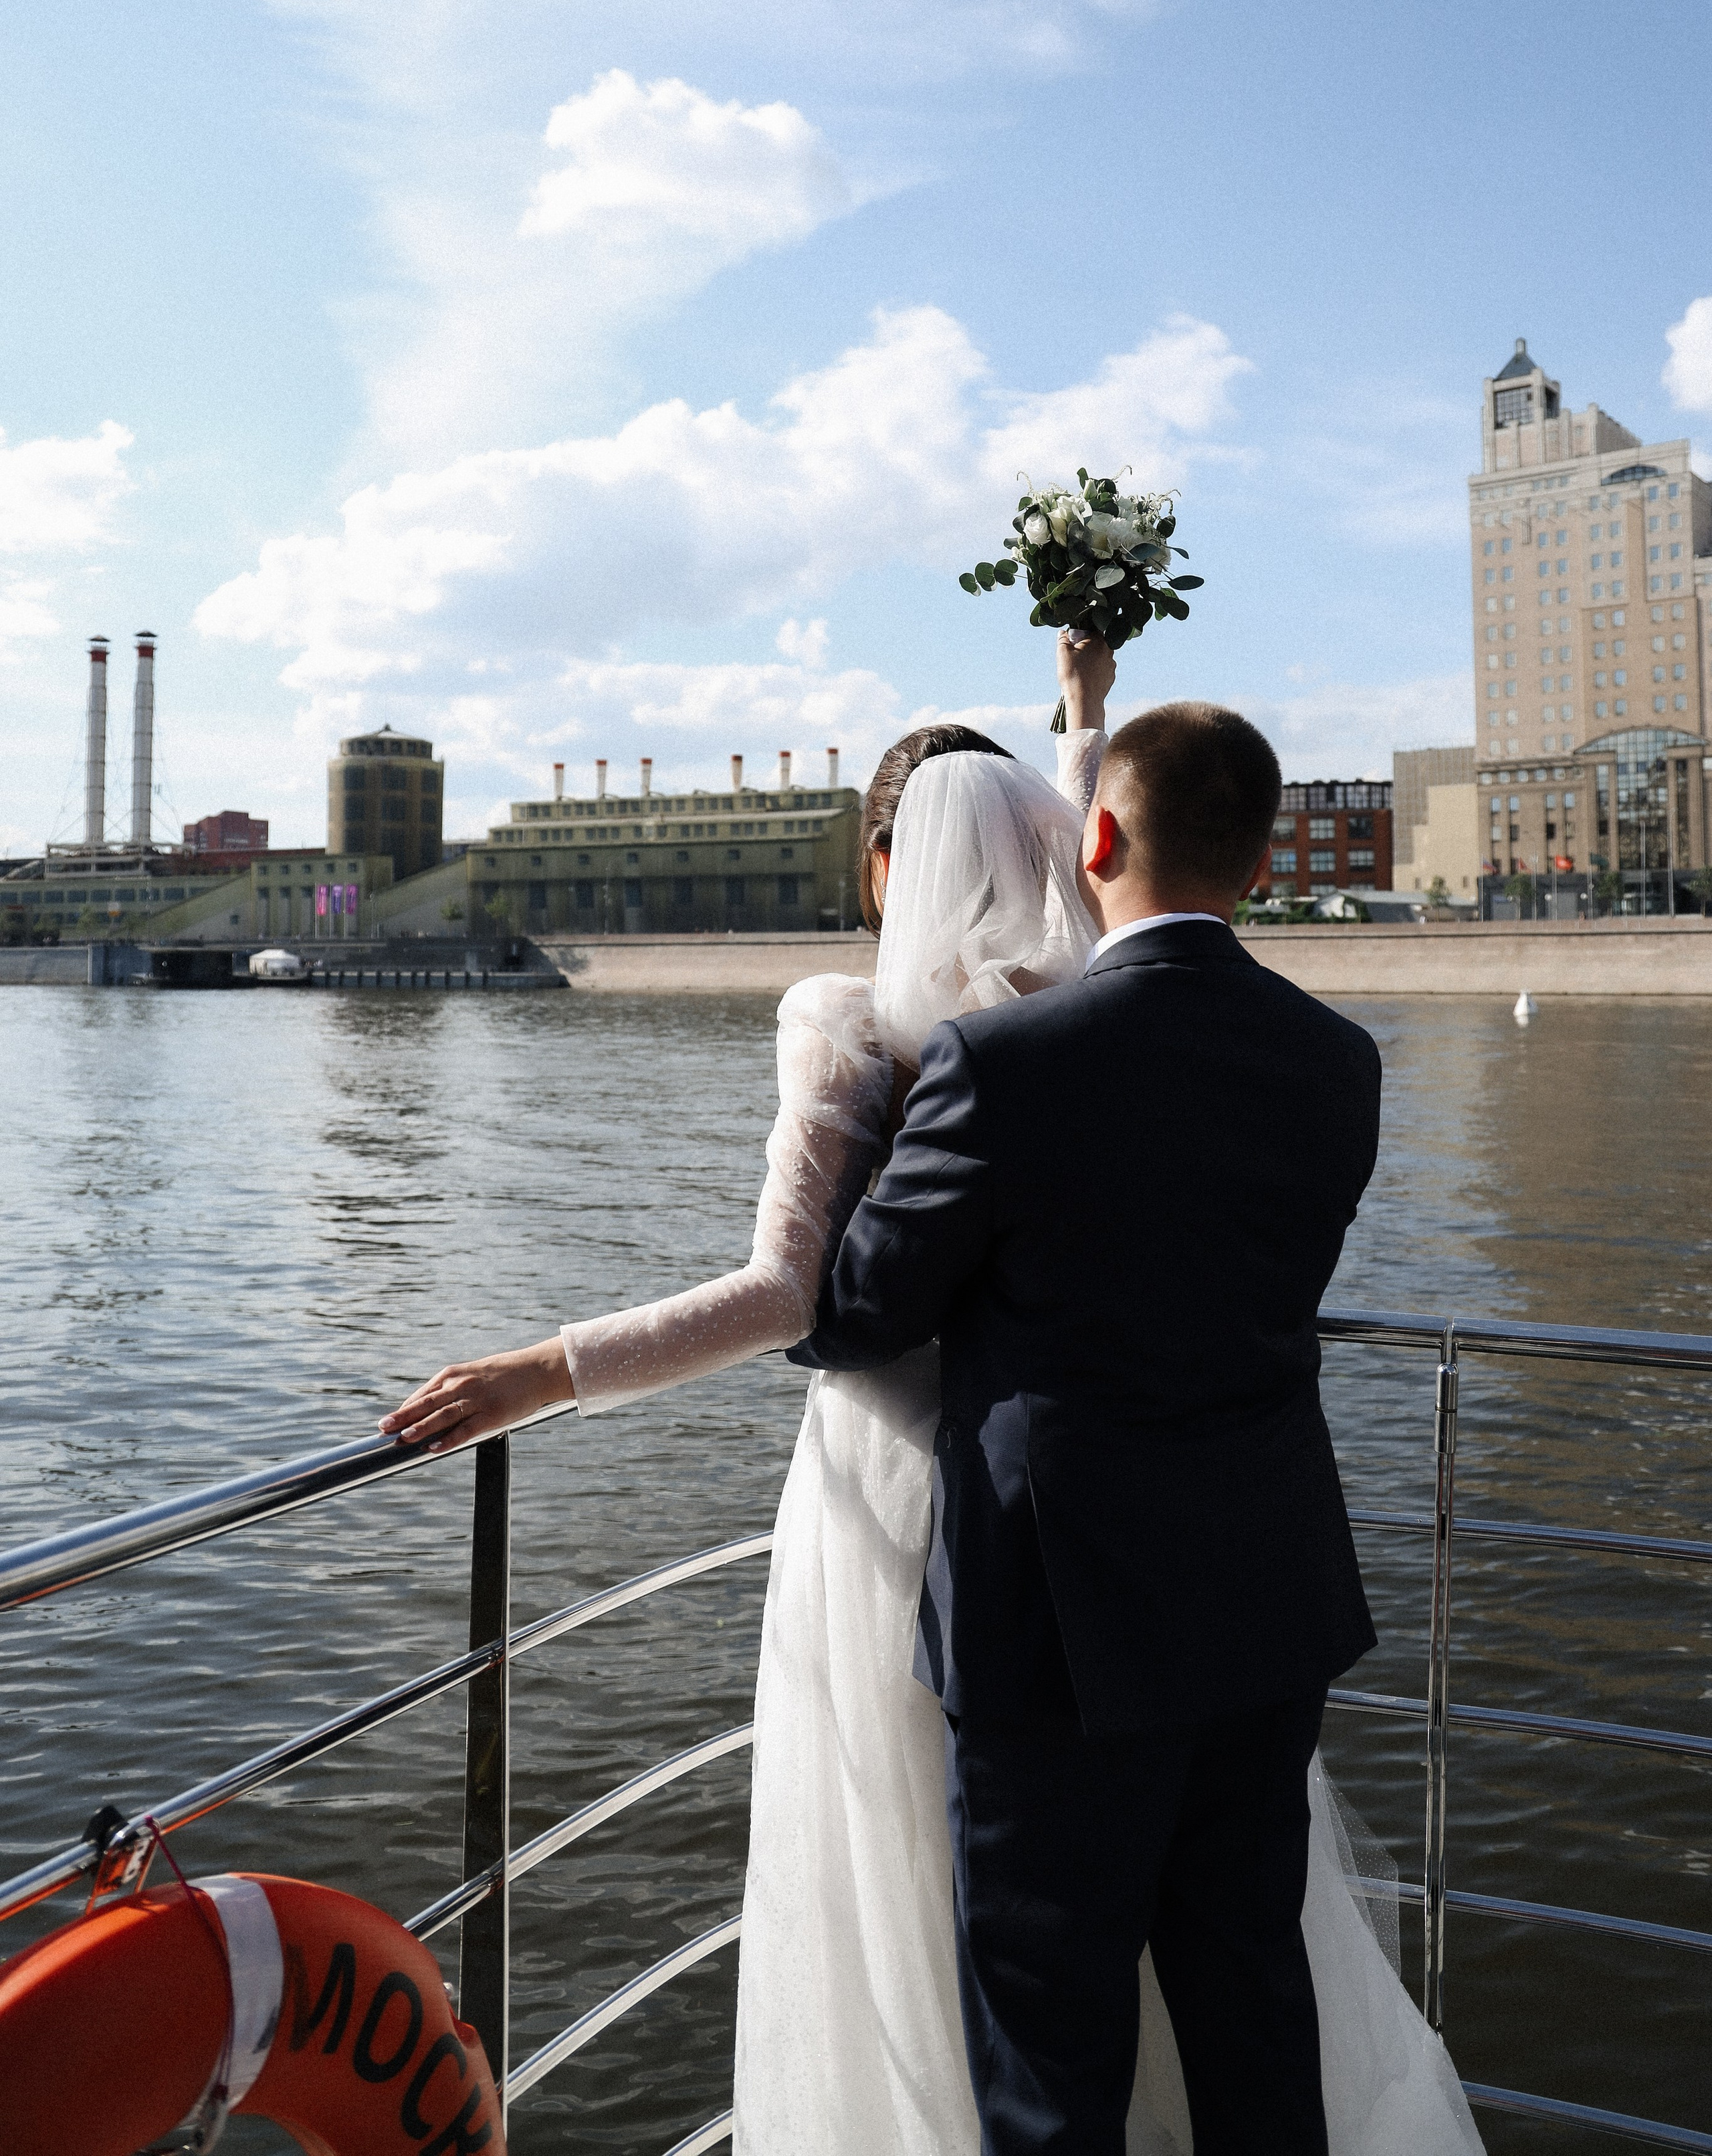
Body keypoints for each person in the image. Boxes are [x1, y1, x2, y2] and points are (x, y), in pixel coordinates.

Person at [382, 638, 1481, 2155]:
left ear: (1095, 836)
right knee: (1248, 2007)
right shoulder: (1336, 1061)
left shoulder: (999, 1061)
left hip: (1055, 1613)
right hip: (1261, 1591)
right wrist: (1086, 714)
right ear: (1255, 858)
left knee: (1048, 2039)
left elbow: (846, 1312)